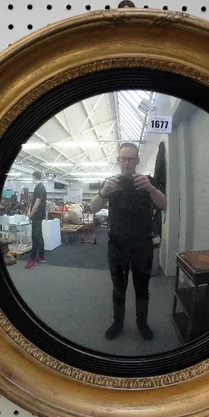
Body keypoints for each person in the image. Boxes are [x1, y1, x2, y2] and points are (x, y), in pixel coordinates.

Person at [90, 143, 167, 340]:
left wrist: (150, 188)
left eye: (131, 159)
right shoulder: (111, 182)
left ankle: (142, 323)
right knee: (118, 288)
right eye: (123, 158)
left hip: (142, 245)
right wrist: (103, 193)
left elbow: (163, 204)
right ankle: (117, 323)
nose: (127, 162)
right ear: (118, 160)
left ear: (137, 161)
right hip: (117, 246)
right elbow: (92, 209)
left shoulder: (146, 180)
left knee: (142, 288)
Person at [25, 171, 47, 268]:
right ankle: (41, 256)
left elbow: (37, 203)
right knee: (39, 236)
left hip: (37, 216)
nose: (31, 179)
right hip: (36, 216)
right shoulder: (38, 188)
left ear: (34, 177)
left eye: (32, 177)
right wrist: (29, 212)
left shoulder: (40, 188)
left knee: (35, 237)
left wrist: (31, 213)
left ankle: (32, 259)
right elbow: (33, 202)